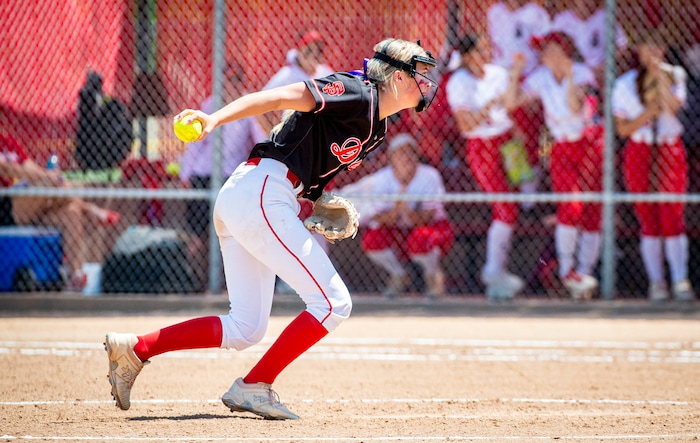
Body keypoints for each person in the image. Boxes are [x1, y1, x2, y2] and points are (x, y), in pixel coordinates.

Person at [104, 38, 438, 420]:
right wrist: (213, 120)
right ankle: (253, 386)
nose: (426, 81)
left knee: (246, 327)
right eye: (419, 72)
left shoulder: (376, 127)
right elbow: (275, 97)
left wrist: (312, 202)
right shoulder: (357, 91)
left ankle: (136, 349)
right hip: (261, 189)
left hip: (255, 194)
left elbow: (309, 162)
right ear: (396, 78)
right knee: (334, 303)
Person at [504, 31, 602, 300]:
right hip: (562, 146)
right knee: (570, 206)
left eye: (547, 48)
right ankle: (568, 271)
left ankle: (584, 272)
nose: (542, 53)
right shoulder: (541, 76)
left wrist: (569, 75)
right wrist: (517, 71)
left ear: (562, 50)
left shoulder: (583, 73)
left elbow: (574, 107)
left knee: (591, 210)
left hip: (590, 145)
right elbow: (511, 103)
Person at [611, 30, 695, 303]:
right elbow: (623, 129)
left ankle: (680, 280)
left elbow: (672, 108)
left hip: (669, 147)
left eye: (658, 47)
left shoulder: (676, 74)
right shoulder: (624, 83)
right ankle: (657, 282)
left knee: (671, 214)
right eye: (647, 48)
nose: (653, 53)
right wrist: (647, 114)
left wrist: (660, 78)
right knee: (648, 217)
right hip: (640, 148)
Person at [446, 34, 526, 301]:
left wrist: (515, 72)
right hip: (482, 146)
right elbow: (466, 125)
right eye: (481, 50)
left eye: (488, 47)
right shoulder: (459, 82)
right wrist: (490, 105)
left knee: (517, 201)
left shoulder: (497, 73)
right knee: (505, 207)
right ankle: (494, 271)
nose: (488, 53)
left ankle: (498, 272)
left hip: (507, 141)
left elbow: (511, 104)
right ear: (468, 55)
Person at [178, 61, 266, 285]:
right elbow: (195, 145)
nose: (233, 85)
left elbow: (261, 139)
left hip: (231, 178)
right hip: (203, 175)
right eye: (229, 80)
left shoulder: (247, 105)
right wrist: (185, 175)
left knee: (233, 234)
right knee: (197, 236)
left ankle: (233, 284)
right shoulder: (211, 104)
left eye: (237, 80)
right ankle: (188, 280)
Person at [0, 134, 120, 291]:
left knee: (71, 212)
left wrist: (51, 177)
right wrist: (47, 178)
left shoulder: (7, 140)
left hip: (26, 203)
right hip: (5, 204)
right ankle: (89, 208)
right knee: (46, 184)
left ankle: (74, 275)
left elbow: (30, 168)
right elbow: (5, 169)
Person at [340, 133, 454, 299]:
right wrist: (397, 210)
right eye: (400, 153)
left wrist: (406, 210)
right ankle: (399, 274)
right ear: (391, 158)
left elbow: (428, 216)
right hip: (396, 227)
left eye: (410, 152)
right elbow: (378, 217)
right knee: (372, 240)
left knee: (420, 238)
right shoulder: (382, 178)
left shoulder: (429, 175)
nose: (405, 157)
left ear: (417, 156)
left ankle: (433, 275)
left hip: (428, 226)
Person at [487, 0, 551, 210]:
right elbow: (492, 47)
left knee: (527, 135)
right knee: (506, 135)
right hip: (502, 80)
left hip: (528, 78)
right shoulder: (495, 12)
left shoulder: (535, 13)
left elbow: (546, 50)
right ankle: (512, 188)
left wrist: (535, 90)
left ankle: (528, 196)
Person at [257, 30, 334, 134]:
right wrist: (272, 137)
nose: (314, 55)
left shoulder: (325, 73)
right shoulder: (288, 74)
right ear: (299, 51)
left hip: (320, 134)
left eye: (319, 50)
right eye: (309, 50)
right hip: (295, 135)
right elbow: (260, 102)